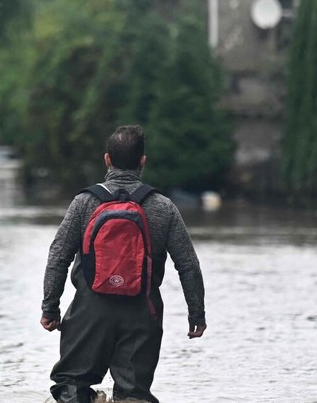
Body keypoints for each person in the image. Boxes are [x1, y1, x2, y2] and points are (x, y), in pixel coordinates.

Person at [40, 124, 207, 403]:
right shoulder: (163, 207)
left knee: (71, 386)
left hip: (89, 312)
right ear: (143, 161)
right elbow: (188, 265)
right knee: (134, 395)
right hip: (142, 312)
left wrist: (50, 308)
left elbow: (58, 256)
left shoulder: (84, 203)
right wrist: (196, 315)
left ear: (107, 159)